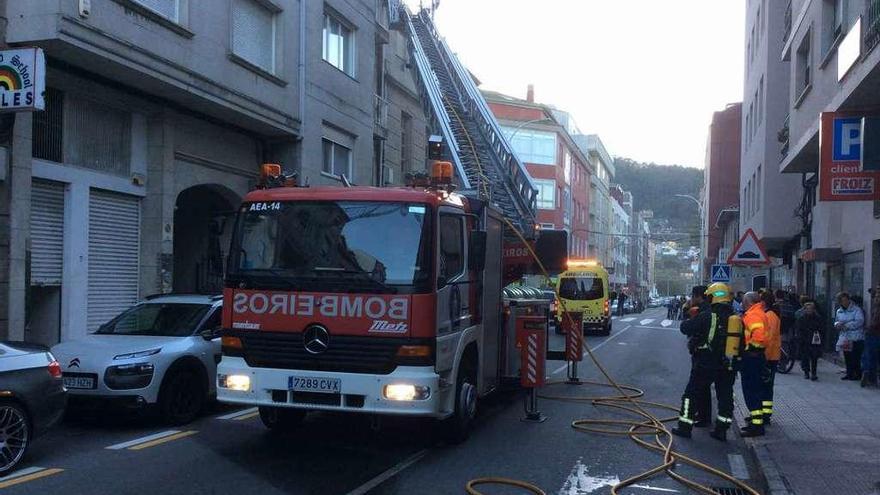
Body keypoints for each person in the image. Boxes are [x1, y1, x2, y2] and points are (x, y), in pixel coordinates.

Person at [671, 283, 739, 441]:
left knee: (691, 394)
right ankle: (721, 430)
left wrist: (689, 314)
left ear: (711, 297)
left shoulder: (707, 315)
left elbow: (685, 328)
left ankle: (685, 426)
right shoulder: (735, 317)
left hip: (706, 362)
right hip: (728, 364)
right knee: (725, 396)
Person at [740, 291, 769, 437]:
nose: (742, 303)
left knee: (751, 391)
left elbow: (759, 336)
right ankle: (756, 421)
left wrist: (750, 349)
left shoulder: (753, 314)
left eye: (744, 301)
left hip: (752, 358)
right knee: (755, 390)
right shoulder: (759, 312)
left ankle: (757, 426)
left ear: (749, 302)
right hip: (757, 357)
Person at [834, 292, 865, 381]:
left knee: (855, 357)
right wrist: (837, 325)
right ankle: (849, 373)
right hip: (845, 337)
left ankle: (857, 374)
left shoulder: (856, 310)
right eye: (842, 301)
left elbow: (859, 321)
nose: (844, 302)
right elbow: (836, 321)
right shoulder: (839, 311)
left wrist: (846, 325)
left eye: (845, 300)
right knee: (847, 356)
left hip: (856, 337)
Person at [761, 291, 781, 424]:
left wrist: (764, 357)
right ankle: (763, 413)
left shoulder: (770, 316)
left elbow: (769, 338)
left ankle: (766, 415)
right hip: (770, 356)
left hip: (769, 357)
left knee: (766, 387)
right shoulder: (770, 314)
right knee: (765, 386)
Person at [796, 301, 824, 380]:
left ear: (813, 309)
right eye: (807, 309)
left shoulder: (818, 318)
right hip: (804, 340)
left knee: (814, 357)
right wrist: (800, 338)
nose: (809, 310)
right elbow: (798, 329)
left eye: (810, 309)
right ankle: (806, 372)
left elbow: (821, 329)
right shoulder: (801, 319)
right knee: (805, 357)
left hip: (814, 340)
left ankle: (814, 373)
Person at [861, 288, 880, 388]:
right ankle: (871, 376)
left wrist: (867, 328)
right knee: (873, 356)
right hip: (873, 334)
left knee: (869, 355)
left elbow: (875, 323)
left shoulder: (877, 309)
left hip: (874, 334)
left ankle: (868, 373)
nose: (876, 299)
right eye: (876, 297)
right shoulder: (876, 307)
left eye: (878, 297)